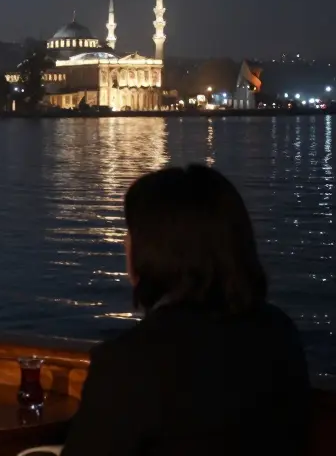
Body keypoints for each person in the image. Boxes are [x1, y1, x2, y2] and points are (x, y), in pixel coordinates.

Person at [60, 165, 312, 456]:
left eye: (131, 233)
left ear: (153, 251)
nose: (124, 243)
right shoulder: (280, 334)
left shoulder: (129, 364)